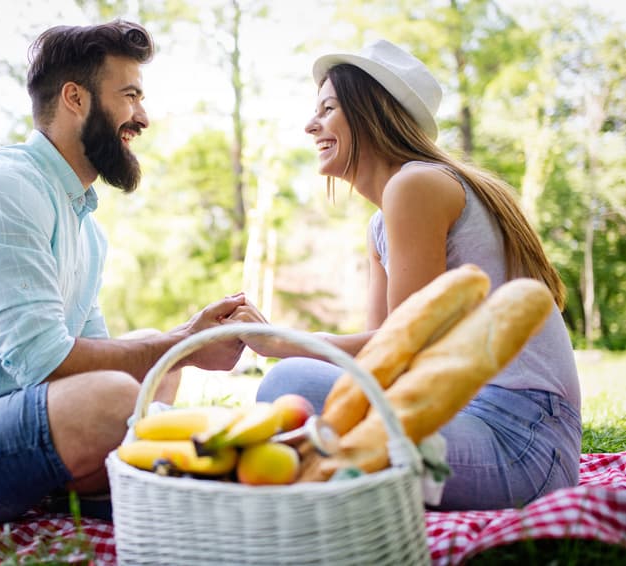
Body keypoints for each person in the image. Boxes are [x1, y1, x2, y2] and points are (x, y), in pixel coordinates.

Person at [0, 20, 247, 543]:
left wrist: (186, 342)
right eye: (129, 96)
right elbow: (45, 362)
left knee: (154, 379)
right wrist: (182, 344)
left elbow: (97, 354)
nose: (142, 117)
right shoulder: (1, 186)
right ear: (75, 99)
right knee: (117, 398)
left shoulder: (85, 228)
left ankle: (135, 481)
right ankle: (139, 481)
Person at [226, 39, 581, 511]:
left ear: (370, 113)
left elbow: (410, 347)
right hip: (462, 416)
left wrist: (284, 342)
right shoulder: (382, 222)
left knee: (286, 382)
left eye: (327, 108)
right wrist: (278, 340)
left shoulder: (417, 184)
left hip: (522, 440)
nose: (310, 125)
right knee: (298, 393)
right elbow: (382, 355)